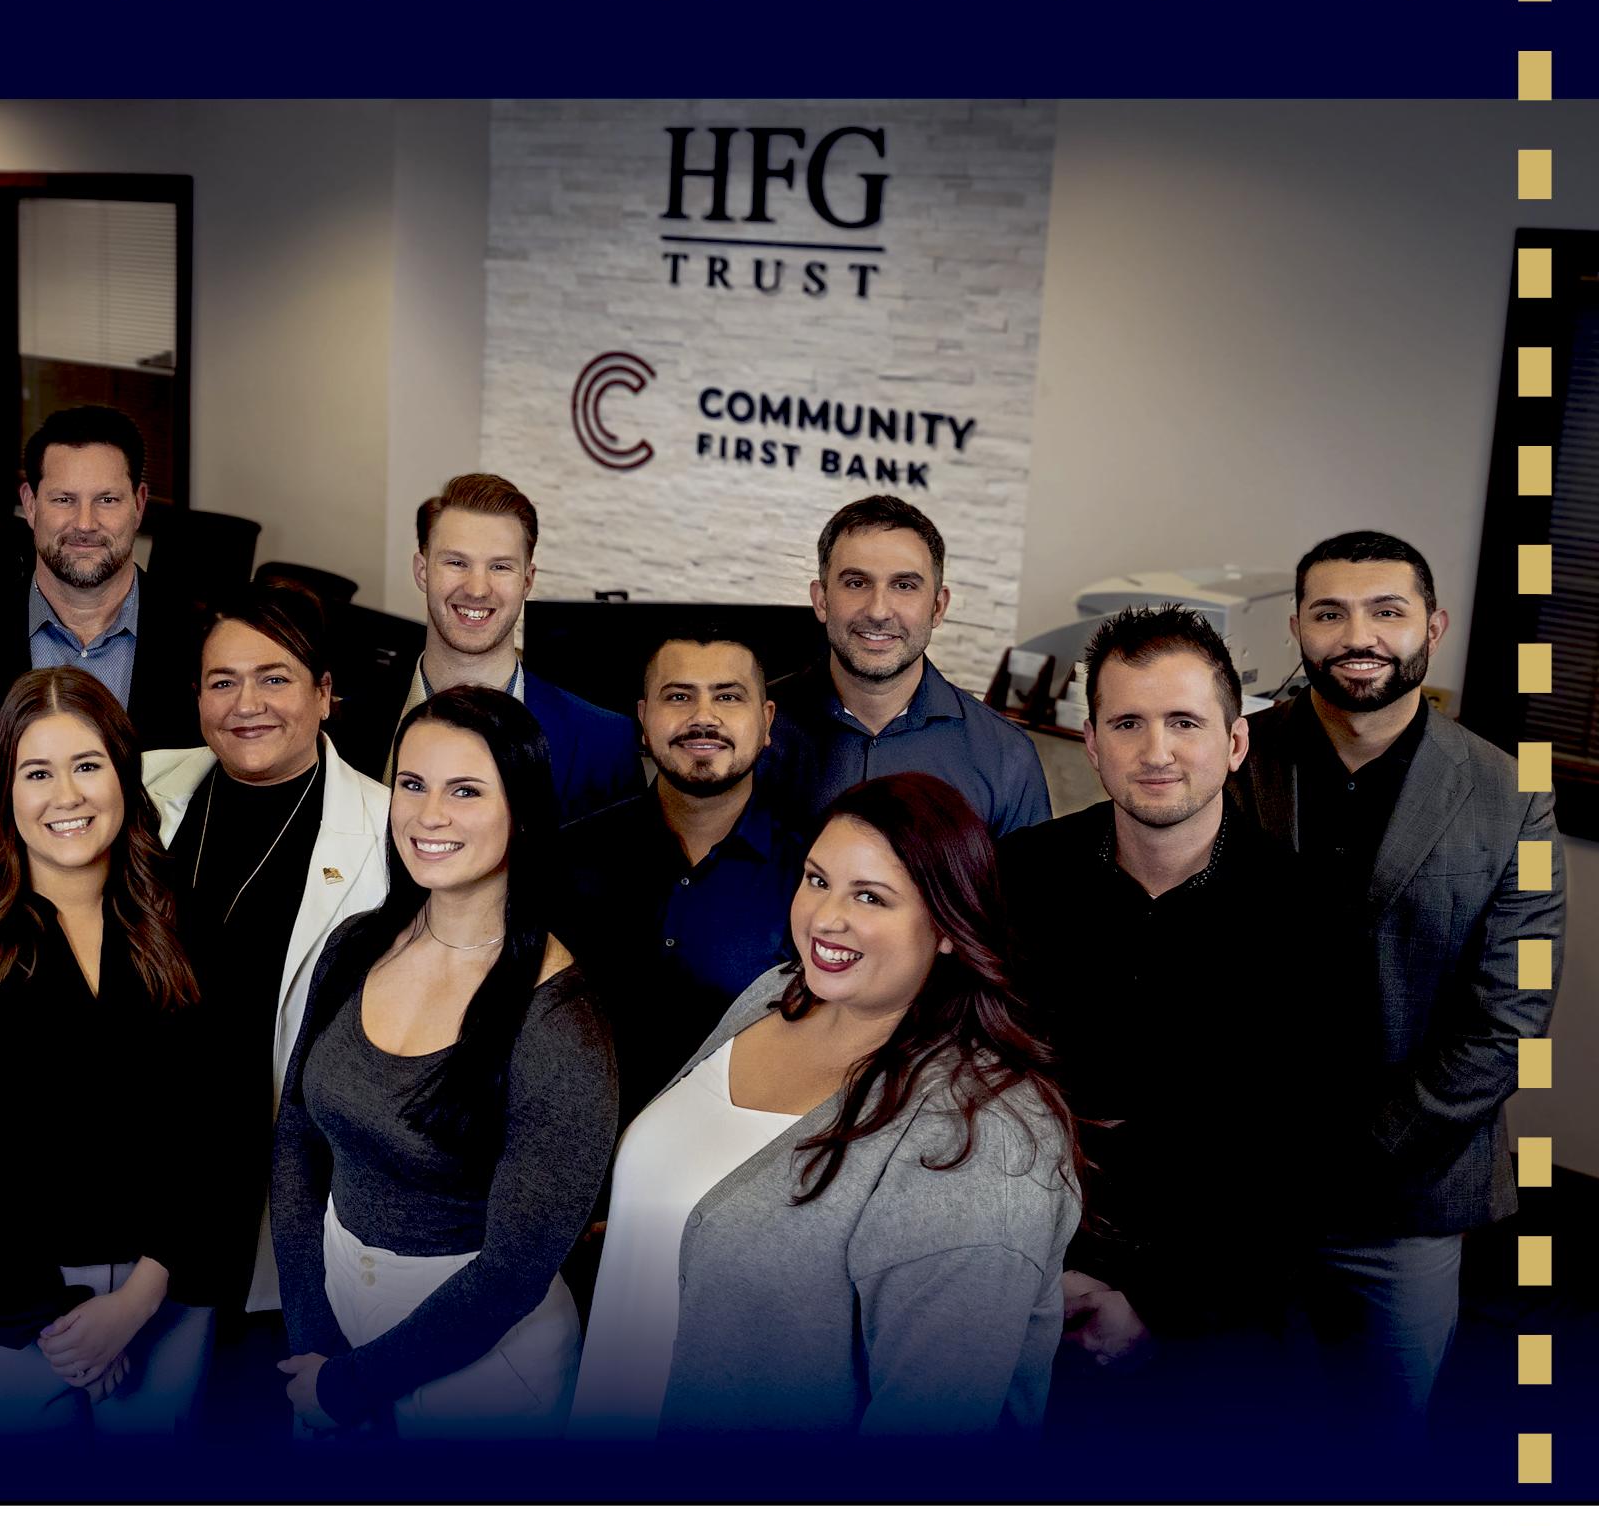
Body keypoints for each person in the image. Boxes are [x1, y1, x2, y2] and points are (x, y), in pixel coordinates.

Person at [573, 775, 1079, 1441]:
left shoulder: (980, 1136)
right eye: (817, 880)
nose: (824, 918)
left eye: (870, 896)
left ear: (949, 927)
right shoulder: (776, 994)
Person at [1245, 526, 1565, 1424]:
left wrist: (1353, 1154)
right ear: (1297, 629)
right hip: (1234, 1176)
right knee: (1218, 1424)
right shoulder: (1230, 754)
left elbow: (1511, 1022)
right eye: (1328, 613)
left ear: (1434, 626)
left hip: (1404, 1196)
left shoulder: (1513, 796)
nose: (1358, 636)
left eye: (1386, 612)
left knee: (1380, 1444)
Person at [271, 687, 617, 1436]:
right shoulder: (355, 945)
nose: (428, 816)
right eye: (412, 783)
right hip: (333, 1320)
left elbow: (512, 1274)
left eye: (465, 791)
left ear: (520, 813)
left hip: (484, 1362)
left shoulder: (560, 1023)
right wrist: (313, 1340)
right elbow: (297, 1135)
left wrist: (348, 1387)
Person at [0, 668, 227, 1435]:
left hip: (163, 1295)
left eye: (86, 765)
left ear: (123, 773)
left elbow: (221, 1122)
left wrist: (139, 1298)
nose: (66, 796)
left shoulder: (188, 924)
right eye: (37, 773)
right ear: (2, 791)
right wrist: (63, 1325)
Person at [1001, 607, 1311, 1424]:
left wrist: (1158, 1310)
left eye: (1184, 722)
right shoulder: (1021, 876)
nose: (1156, 751)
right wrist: (1038, 1273)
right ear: (1090, 742)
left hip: (1211, 1315)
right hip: (1022, 1274)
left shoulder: (1307, 915)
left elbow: (1302, 1156)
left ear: (1235, 742)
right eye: (1127, 723)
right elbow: (979, 1085)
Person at [144, 589, 391, 1321]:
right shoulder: (138, 787)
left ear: (323, 693)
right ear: (197, 697)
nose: (246, 704)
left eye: (274, 678)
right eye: (222, 681)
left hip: (285, 1180)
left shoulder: (388, 831)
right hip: (149, 1173)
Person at [0, 406, 209, 851]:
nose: (84, 524)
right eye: (63, 499)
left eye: (107, 500)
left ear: (139, 504)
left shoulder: (202, 644)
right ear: (30, 505)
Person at [561, 628, 800, 1107]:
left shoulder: (812, 875)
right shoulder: (566, 857)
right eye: (678, 696)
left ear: (766, 720)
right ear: (644, 720)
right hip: (576, 1137)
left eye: (728, 697)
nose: (703, 717)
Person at [762, 499, 1049, 835]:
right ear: (821, 600)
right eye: (856, 583)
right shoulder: (754, 727)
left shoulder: (1006, 756)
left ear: (938, 607)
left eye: (904, 585)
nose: (878, 611)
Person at [376, 472, 638, 823]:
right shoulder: (346, 726)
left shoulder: (604, 743)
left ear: (527, 581)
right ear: (422, 571)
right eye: (457, 563)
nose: (477, 589)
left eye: (500, 567)